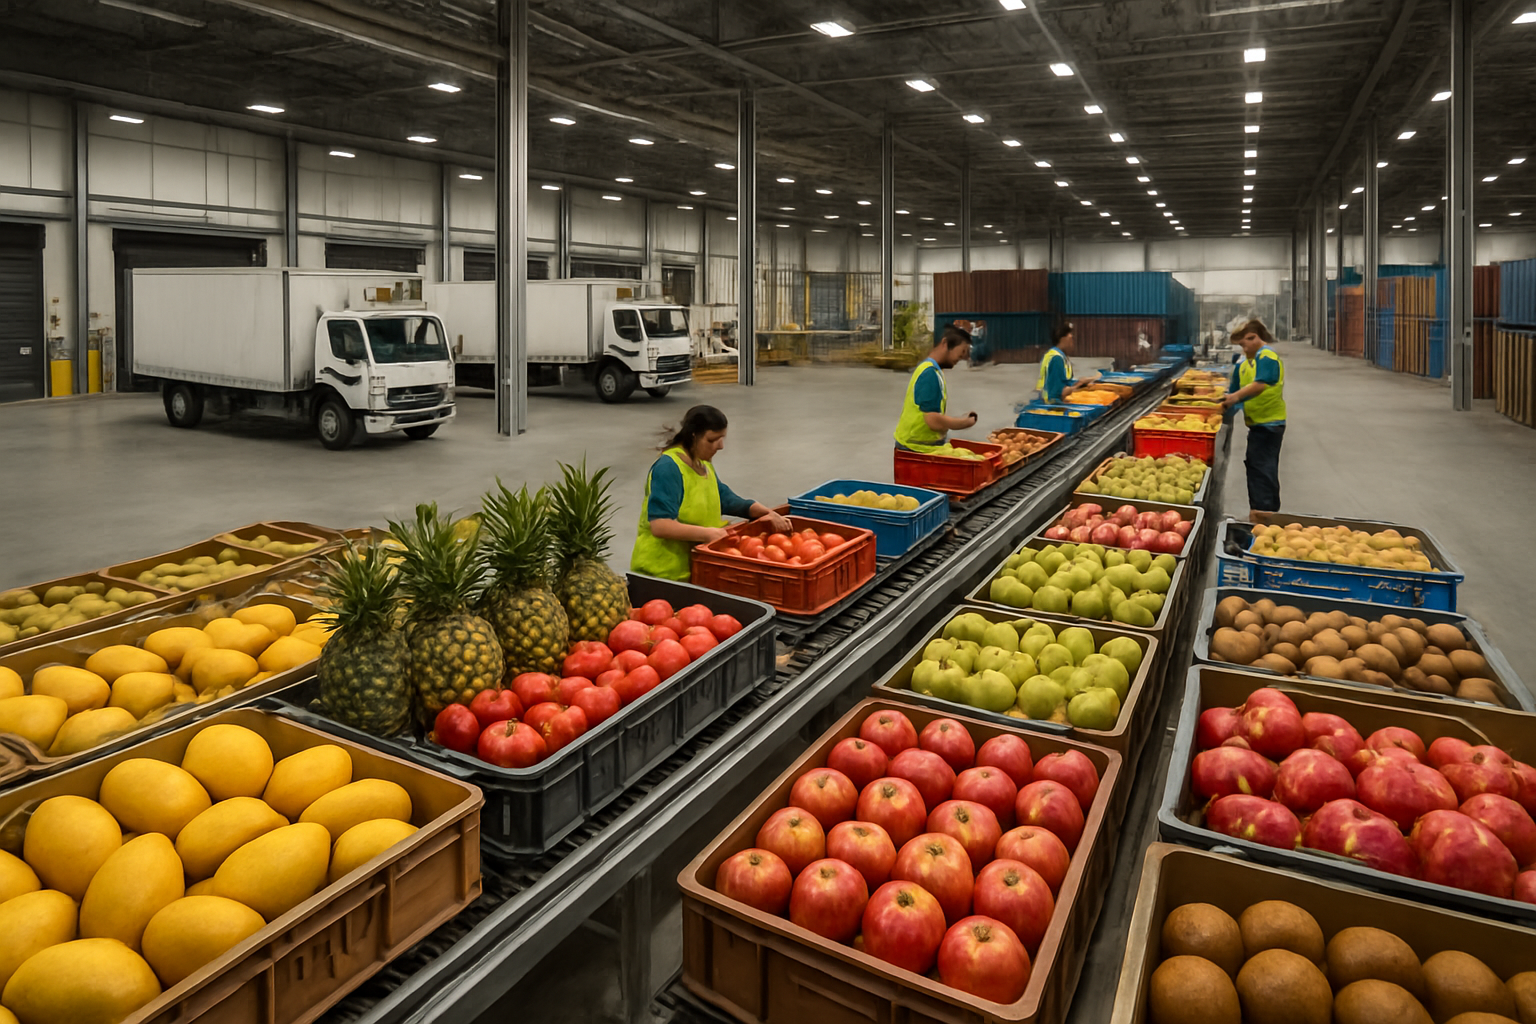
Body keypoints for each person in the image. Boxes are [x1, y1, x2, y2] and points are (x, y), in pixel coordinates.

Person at [631, 405, 791, 581]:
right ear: (694, 436)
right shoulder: (669, 468)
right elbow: (660, 525)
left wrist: (764, 512)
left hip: (696, 569)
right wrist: (709, 534)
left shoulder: (702, 463)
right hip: (662, 574)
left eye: (722, 438)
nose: (721, 446)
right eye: (712, 440)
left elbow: (723, 498)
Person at [1221, 319, 1287, 523]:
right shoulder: (1244, 364)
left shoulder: (1268, 356)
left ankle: (1266, 517)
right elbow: (1233, 394)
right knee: (1255, 467)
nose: (1244, 347)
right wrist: (1219, 413)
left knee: (1263, 469)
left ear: (1254, 337)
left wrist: (1235, 398)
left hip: (1270, 424)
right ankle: (1257, 513)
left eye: (1245, 343)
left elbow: (1260, 385)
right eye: (1240, 345)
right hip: (1257, 424)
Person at [893, 326, 978, 453]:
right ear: (945, 343)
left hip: (918, 444)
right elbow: (933, 421)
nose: (962, 358)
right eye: (962, 351)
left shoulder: (933, 370)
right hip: (915, 447)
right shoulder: (930, 374)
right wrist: (963, 423)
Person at [1037, 322, 1099, 404]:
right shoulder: (1057, 359)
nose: (1072, 342)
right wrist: (1078, 386)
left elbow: (1065, 383)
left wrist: (1085, 381)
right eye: (1071, 338)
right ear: (1063, 339)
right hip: (1053, 405)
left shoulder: (1057, 355)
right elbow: (1058, 393)